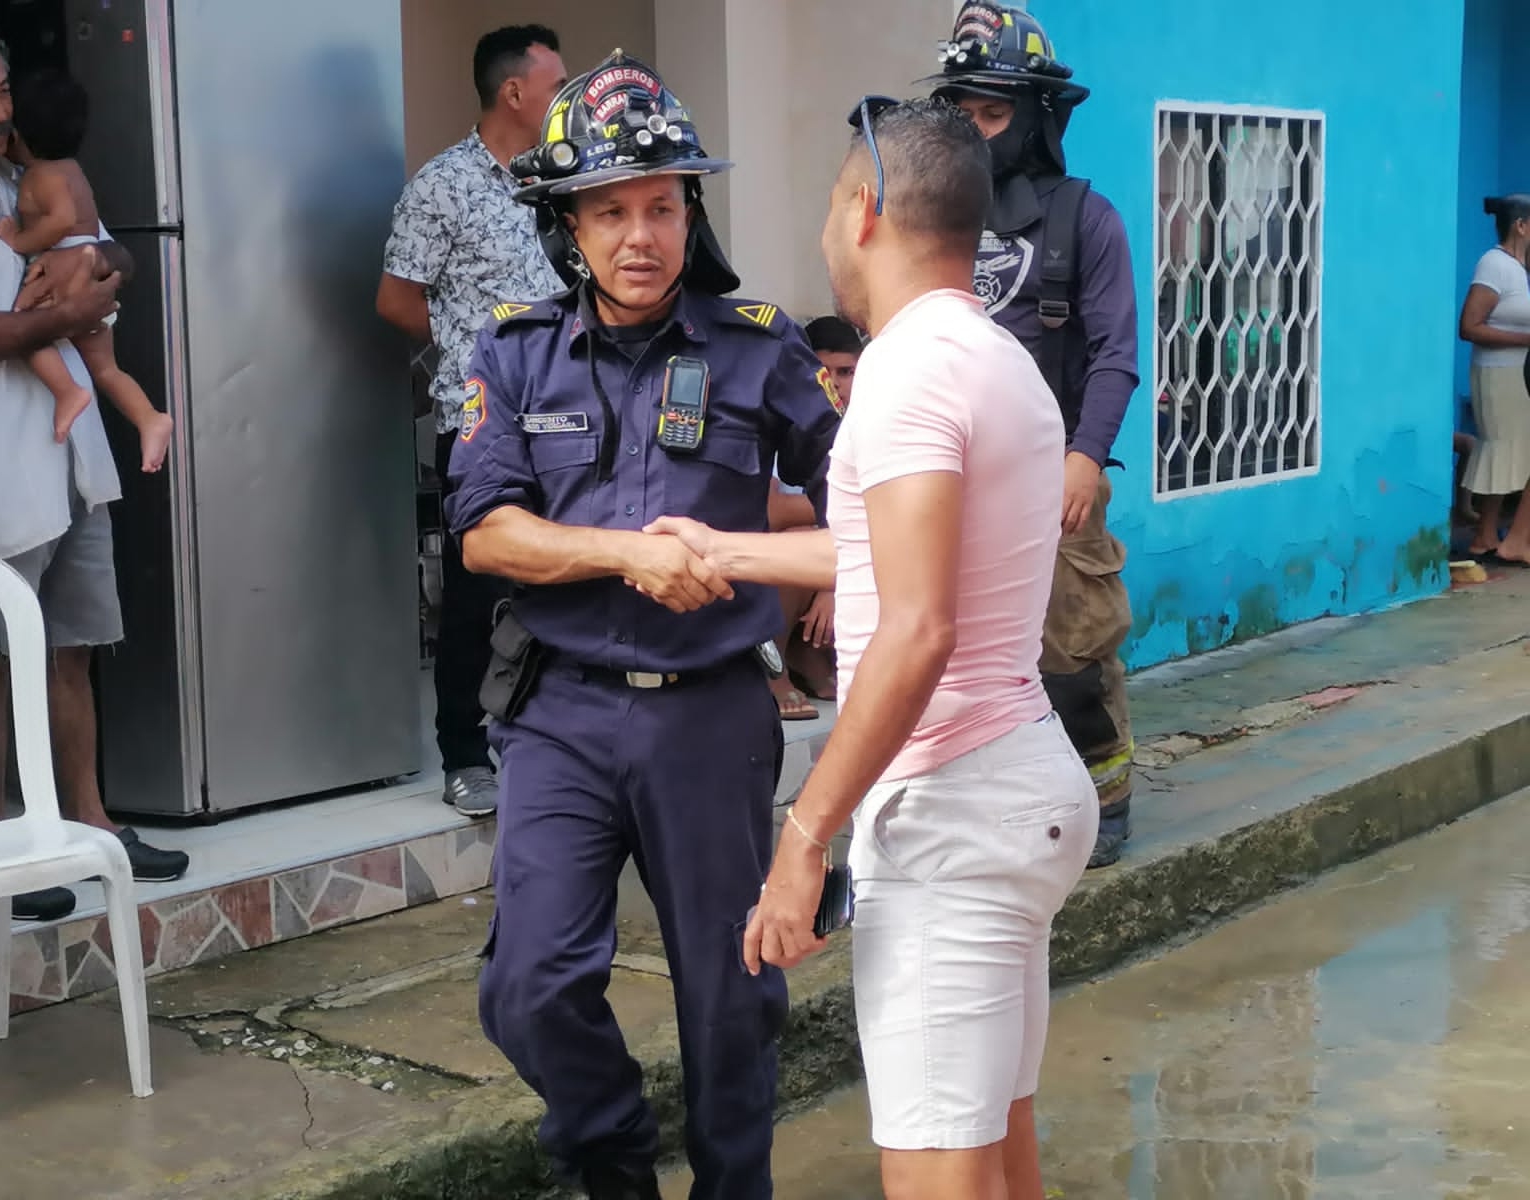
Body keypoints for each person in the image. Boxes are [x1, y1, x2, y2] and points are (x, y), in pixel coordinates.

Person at [644, 95, 1097, 1200]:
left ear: (863, 209)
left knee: (937, 1172)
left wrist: (805, 837)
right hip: (1019, 782)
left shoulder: (901, 371)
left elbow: (916, 628)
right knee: (996, 1151)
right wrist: (729, 549)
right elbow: (889, 560)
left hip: (954, 806)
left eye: (828, 201)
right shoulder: (996, 361)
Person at [445, 50, 841, 1200]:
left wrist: (820, 570)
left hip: (711, 716)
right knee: (529, 985)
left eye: (661, 207)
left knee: (734, 995)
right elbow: (484, 533)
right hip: (560, 715)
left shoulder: (758, 343)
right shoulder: (514, 352)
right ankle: (612, 1164)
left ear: (689, 213)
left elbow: (862, 490)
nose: (639, 236)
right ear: (568, 224)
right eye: (610, 210)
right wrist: (631, 554)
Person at [0, 10, 189, 924]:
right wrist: (58, 313)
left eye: (1, 91)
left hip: (74, 459)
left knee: (75, 649)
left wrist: (97, 271)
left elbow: (113, 254)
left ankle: (92, 827)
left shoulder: (26, 169)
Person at [924, 2, 1139, 868]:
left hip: (1054, 477)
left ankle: (1106, 792)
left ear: (1037, 115)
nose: (974, 133)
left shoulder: (1085, 218)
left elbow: (1119, 351)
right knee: (957, 646)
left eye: (993, 113)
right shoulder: (932, 217)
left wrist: (1085, 457)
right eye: (961, 114)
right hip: (951, 477)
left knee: (1073, 645)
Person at [377, 25, 568, 816]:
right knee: (476, 590)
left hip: (568, 415)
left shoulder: (560, 181)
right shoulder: (443, 184)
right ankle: (463, 751)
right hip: (484, 418)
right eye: (556, 86)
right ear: (514, 92)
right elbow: (396, 297)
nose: (567, 101)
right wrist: (465, 349)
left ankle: (550, 739)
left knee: (562, 578)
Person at [0, 68, 172, 471]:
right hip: (91, 272)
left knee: (20, 326)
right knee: (107, 369)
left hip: (70, 270)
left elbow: (60, 222)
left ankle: (66, 392)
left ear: (17, 136)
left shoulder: (38, 176)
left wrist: (17, 242)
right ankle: (149, 418)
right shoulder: (71, 169)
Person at [765, 315, 861, 719]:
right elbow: (770, 512)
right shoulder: (778, 416)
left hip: (827, 560)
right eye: (824, 372)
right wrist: (842, 518)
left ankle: (811, 657)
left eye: (846, 372)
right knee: (805, 536)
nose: (835, 383)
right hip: (756, 559)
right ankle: (774, 669)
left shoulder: (871, 424)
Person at [1459, 194, 1530, 565]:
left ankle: (1485, 535)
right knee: (1503, 449)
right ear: (1520, 225)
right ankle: (1509, 540)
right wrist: (1526, 339)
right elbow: (1469, 326)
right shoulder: (1495, 264)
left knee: (1505, 454)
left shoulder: (1518, 268)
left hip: (1514, 376)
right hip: (1496, 375)